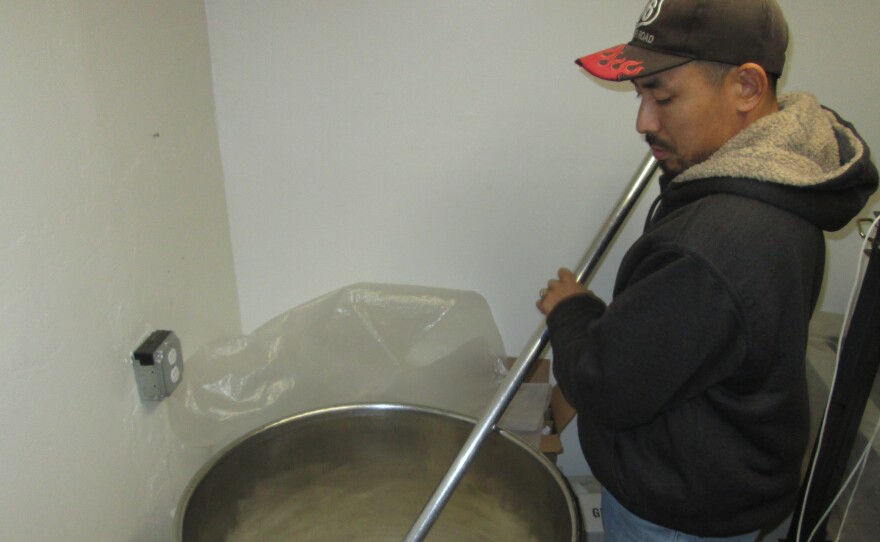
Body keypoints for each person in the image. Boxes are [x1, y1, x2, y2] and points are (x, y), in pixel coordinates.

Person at [535, 0, 879, 540]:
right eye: (640, 93)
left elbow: (607, 388)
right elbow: (698, 337)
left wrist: (572, 311)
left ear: (746, 86)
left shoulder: (717, 244)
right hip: (728, 474)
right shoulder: (788, 183)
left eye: (663, 96)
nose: (643, 121)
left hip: (677, 515)